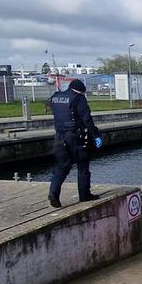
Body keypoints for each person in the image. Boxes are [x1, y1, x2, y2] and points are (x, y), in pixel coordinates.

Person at [48, 78, 102, 208]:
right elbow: (86, 118)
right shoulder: (78, 98)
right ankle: (84, 195)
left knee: (62, 166)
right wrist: (95, 135)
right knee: (83, 166)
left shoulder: (56, 97)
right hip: (75, 137)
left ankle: (53, 192)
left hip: (59, 136)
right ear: (80, 90)